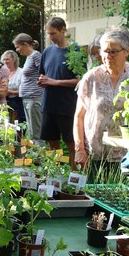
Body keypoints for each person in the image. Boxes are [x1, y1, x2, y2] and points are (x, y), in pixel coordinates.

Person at [74, 27, 129, 175]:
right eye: (104, 51)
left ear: (127, 52)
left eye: (113, 51)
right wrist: (79, 149)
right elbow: (79, 116)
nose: (108, 56)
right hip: (96, 154)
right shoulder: (91, 77)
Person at [38, 17, 81, 166]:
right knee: (52, 145)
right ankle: (56, 175)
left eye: (53, 33)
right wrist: (42, 81)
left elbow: (80, 80)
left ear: (63, 30)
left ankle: (75, 178)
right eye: (48, 34)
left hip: (67, 107)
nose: (50, 37)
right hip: (49, 105)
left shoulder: (75, 51)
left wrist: (55, 82)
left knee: (72, 144)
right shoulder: (47, 51)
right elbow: (43, 75)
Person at [14, 33, 43, 140]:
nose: (17, 50)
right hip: (28, 99)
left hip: (34, 98)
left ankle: (40, 154)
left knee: (36, 132)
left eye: (18, 47)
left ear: (25, 44)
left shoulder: (36, 55)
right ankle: (35, 154)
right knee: (31, 131)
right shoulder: (29, 57)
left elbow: (44, 73)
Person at [1, 50, 25, 123]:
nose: (5, 61)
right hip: (3, 102)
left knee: (16, 125)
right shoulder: (0, 72)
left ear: (14, 60)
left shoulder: (21, 72)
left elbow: (24, 90)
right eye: (4, 59)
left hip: (17, 103)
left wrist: (10, 92)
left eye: (7, 59)